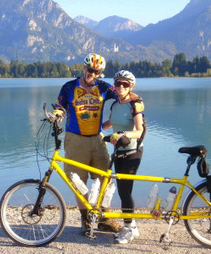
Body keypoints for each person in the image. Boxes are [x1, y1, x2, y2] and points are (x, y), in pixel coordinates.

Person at [53, 53, 121, 236]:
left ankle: (105, 219)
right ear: (83, 68)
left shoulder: (104, 87)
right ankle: (85, 219)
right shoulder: (68, 87)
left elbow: (123, 96)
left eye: (97, 71)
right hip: (75, 140)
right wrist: (57, 115)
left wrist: (136, 103)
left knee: (106, 178)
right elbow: (60, 107)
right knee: (78, 180)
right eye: (90, 70)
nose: (93, 74)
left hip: (98, 139)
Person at [103, 70, 146, 244]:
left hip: (132, 152)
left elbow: (139, 131)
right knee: (122, 191)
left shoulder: (135, 104)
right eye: (118, 83)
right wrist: (91, 128)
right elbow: (110, 123)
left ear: (131, 86)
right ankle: (132, 226)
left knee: (125, 191)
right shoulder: (115, 104)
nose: (121, 87)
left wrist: (123, 134)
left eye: (125, 84)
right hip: (118, 152)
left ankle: (128, 228)